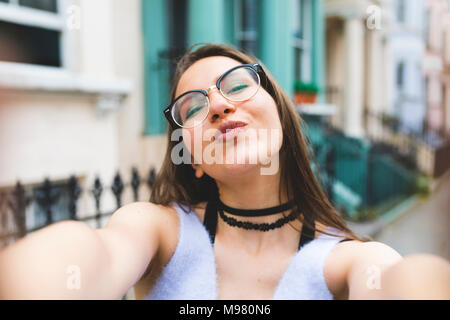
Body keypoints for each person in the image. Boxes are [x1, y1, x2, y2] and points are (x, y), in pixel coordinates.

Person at [0, 43, 448, 300]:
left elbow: (397, 281)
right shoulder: (159, 231)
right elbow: (88, 253)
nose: (217, 105)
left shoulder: (347, 261)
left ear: (281, 116)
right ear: (191, 158)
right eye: (191, 106)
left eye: (237, 84)